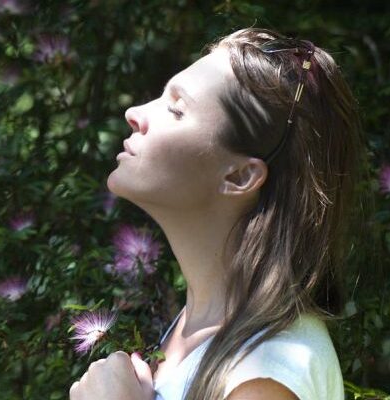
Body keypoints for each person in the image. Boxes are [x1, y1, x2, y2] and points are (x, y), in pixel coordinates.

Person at [69, 27, 362, 400]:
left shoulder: (265, 372)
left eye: (176, 109)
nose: (134, 113)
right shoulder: (199, 331)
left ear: (240, 176)